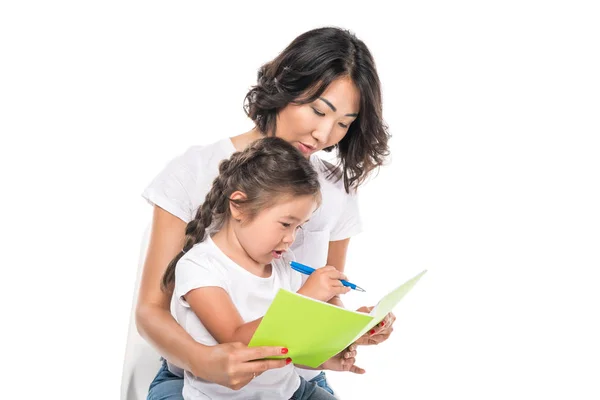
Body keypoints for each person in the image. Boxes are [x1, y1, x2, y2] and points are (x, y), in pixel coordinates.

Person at [138, 26, 395, 400]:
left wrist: (349, 330)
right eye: (318, 110)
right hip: (197, 377)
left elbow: (327, 299)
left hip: (291, 376)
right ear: (285, 87)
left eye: (343, 123)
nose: (325, 134)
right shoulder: (193, 171)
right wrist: (204, 360)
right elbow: (151, 310)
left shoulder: (336, 189)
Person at [166, 136, 361, 399]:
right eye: (285, 224)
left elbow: (288, 347)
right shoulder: (200, 267)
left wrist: (327, 359)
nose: (291, 238)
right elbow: (238, 341)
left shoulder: (283, 263)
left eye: (298, 227)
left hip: (291, 392)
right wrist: (306, 297)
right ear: (238, 206)